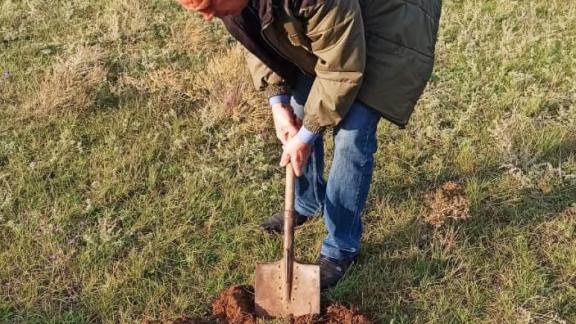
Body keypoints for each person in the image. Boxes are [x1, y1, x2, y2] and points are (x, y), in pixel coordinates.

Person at [176, 0, 442, 290]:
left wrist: (307, 135)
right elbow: (262, 40)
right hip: (339, 24)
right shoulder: (232, 6)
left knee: (352, 135)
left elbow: (342, 68)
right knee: (300, 105)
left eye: (209, 5)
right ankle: (308, 201)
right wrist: (278, 103)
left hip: (390, 24)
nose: (206, 17)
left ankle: (341, 249)